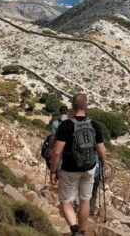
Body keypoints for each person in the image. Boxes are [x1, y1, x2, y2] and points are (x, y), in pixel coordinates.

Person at [48, 94, 106, 236]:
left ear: (72, 107)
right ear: (86, 106)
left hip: (70, 169)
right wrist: (102, 165)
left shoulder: (66, 125)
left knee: (66, 201)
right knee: (85, 200)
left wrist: (53, 171)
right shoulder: (95, 125)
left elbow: (56, 152)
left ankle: (74, 229)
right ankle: (83, 230)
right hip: (89, 168)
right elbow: (101, 151)